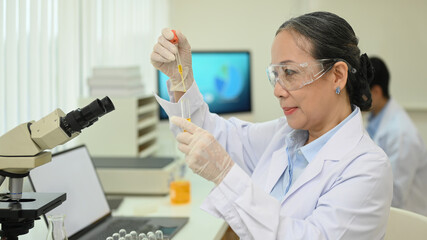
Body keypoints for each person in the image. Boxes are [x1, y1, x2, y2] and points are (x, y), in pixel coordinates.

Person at [151, 11, 392, 239]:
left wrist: (225, 174)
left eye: (290, 72)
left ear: (337, 75)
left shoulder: (367, 167)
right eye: (276, 75)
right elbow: (210, 135)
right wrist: (179, 78)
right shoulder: (286, 135)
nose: (278, 90)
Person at [367, 57, 427, 216]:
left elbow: (396, 195)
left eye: (362, 92)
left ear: (376, 92)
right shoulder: (375, 119)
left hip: (409, 221)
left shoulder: (401, 133)